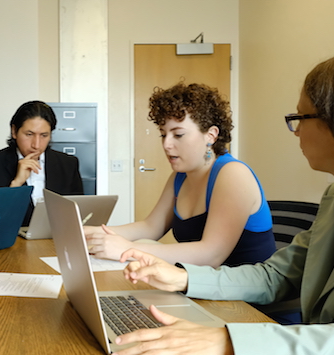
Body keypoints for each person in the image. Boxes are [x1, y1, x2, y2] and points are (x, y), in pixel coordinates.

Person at [111, 48, 334, 355]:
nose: (295, 131)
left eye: (301, 117)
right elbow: (275, 275)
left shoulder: (231, 173)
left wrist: (229, 342)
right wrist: (184, 278)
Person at [84, 83, 276, 267]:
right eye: (163, 134)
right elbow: (151, 227)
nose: (166, 144)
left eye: (178, 135)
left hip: (243, 298)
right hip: (202, 288)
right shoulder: (180, 177)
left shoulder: (233, 174)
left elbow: (211, 255)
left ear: (211, 135)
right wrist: (93, 233)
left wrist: (130, 248)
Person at [0, 100, 84, 226]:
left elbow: (78, 211)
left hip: (56, 237)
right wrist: (16, 183)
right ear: (14, 131)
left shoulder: (68, 164)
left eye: (44, 135)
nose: (36, 145)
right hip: (14, 239)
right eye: (29, 134)